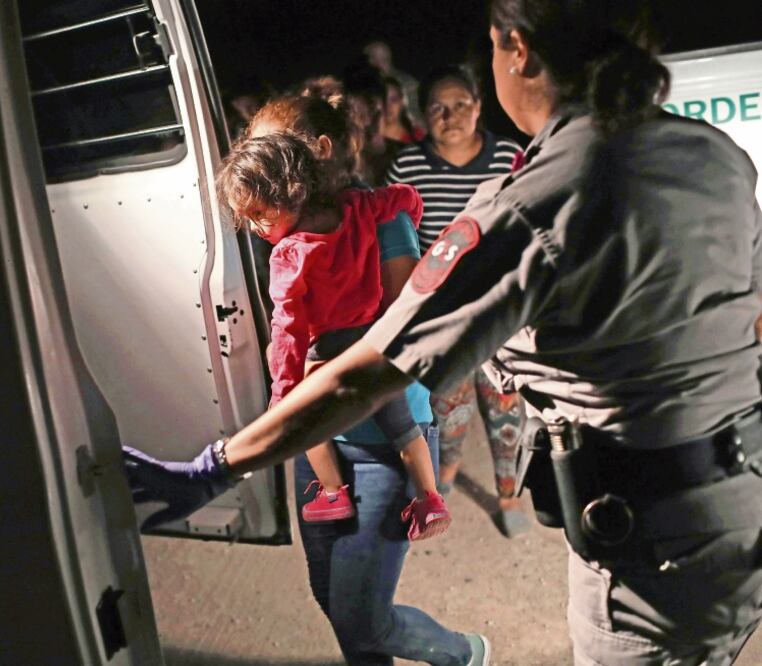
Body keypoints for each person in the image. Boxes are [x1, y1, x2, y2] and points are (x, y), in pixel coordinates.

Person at [124, 0, 762, 663]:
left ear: (518, 49)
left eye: (490, 48)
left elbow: (370, 371)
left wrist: (216, 466)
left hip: (647, 555)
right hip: (742, 511)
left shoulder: (534, 201)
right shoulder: (711, 154)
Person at [234, 94, 491, 664]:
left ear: (319, 152)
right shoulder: (284, 238)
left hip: (384, 440)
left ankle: (460, 653)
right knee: (332, 599)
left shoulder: (382, 217)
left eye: (277, 148)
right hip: (319, 435)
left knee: (361, 621)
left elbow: (400, 328)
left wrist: (320, 365)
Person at [216, 132, 450, 537]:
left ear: (288, 191)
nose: (255, 228)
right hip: (374, 346)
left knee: (308, 423)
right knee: (404, 428)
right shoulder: (357, 208)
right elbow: (400, 197)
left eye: (259, 214)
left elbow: (288, 330)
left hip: (327, 351)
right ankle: (429, 498)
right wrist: (412, 212)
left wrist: (283, 394)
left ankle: (331, 492)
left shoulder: (289, 255)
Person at [385, 64, 530, 538]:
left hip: (501, 308)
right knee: (448, 407)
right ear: (423, 115)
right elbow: (399, 240)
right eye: (438, 108)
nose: (451, 116)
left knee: (506, 406)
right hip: (441, 314)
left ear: (478, 107)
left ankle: (508, 496)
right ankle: (444, 479)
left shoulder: (510, 156)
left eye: (460, 105)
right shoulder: (406, 166)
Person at [365, 40, 422, 126]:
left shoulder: (408, 84)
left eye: (384, 59)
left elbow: (418, 118)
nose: (378, 63)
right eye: (373, 58)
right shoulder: (360, 87)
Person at [382, 75, 426, 145]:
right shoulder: (368, 139)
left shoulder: (418, 136)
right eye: (383, 100)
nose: (388, 106)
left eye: (393, 100)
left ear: (402, 102)